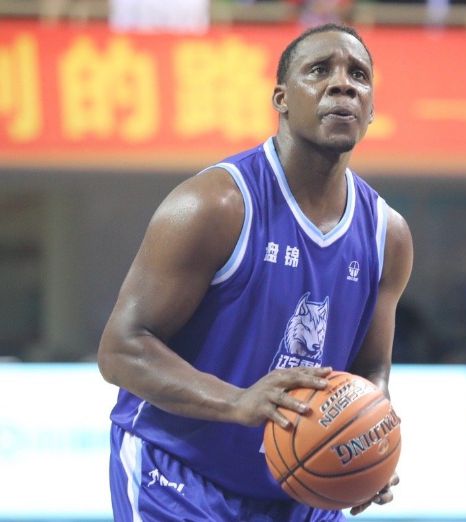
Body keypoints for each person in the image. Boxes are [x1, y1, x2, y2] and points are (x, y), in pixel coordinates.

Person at [97, 23, 413, 522]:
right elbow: (120, 349)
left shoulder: (386, 235)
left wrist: (369, 438)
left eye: (358, 75)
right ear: (281, 99)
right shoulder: (215, 205)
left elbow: (371, 369)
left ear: (371, 109)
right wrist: (237, 401)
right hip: (180, 473)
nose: (343, 84)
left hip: (300, 487)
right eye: (319, 70)